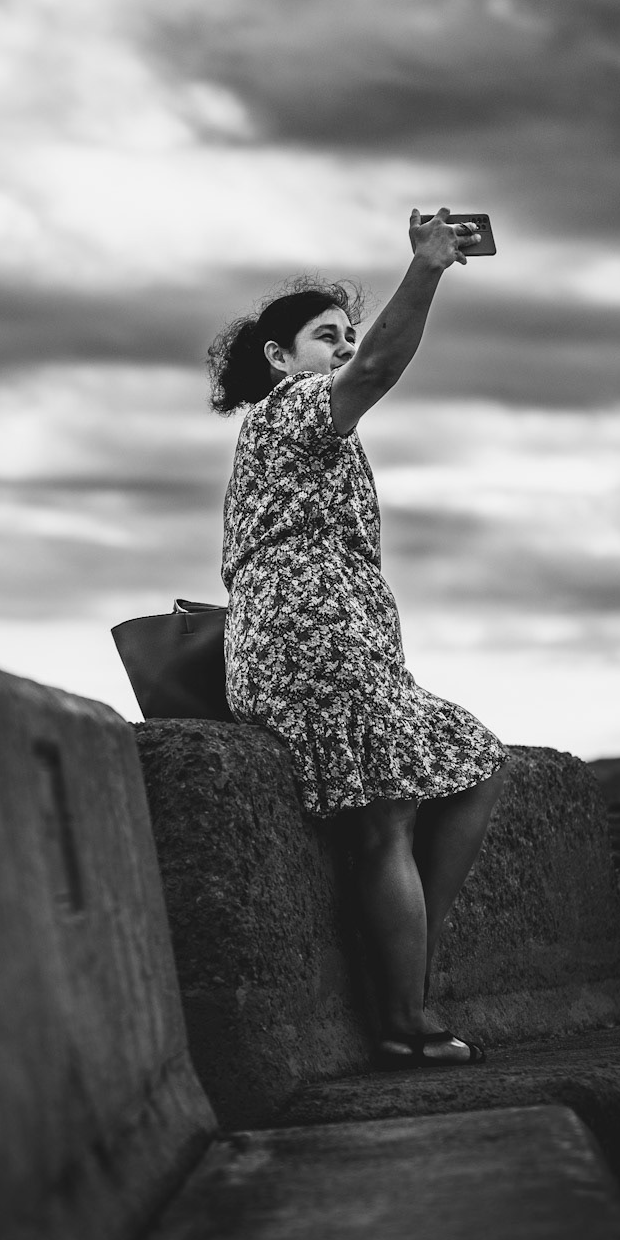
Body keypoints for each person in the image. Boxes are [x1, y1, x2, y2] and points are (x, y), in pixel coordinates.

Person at [209, 208, 512, 1067]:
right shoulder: (289, 407)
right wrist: (426, 270)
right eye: (324, 336)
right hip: (309, 633)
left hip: (341, 631)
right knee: (385, 819)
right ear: (278, 357)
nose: (343, 349)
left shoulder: (305, 429)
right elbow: (381, 366)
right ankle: (402, 1018)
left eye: (345, 336)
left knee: (473, 761)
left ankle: (398, 963)